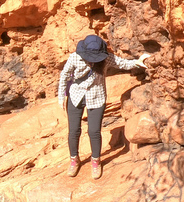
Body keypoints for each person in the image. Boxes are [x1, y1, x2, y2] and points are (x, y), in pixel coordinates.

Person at [58, 35, 150, 179]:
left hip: (96, 96)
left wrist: (137, 63)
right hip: (76, 96)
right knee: (74, 131)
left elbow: (122, 63)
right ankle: (74, 160)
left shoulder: (105, 58)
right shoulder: (75, 57)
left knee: (94, 131)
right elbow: (64, 76)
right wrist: (61, 96)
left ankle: (96, 161)